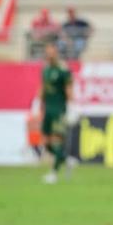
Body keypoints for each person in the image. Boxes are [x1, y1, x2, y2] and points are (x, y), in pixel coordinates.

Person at [37, 41, 72, 184]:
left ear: (56, 52)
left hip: (59, 110)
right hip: (48, 109)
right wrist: (37, 103)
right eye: (47, 51)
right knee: (46, 142)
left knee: (57, 140)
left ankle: (54, 174)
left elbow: (69, 90)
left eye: (51, 50)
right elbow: (43, 89)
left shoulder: (63, 70)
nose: (49, 53)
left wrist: (72, 107)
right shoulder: (45, 70)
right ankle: (66, 160)